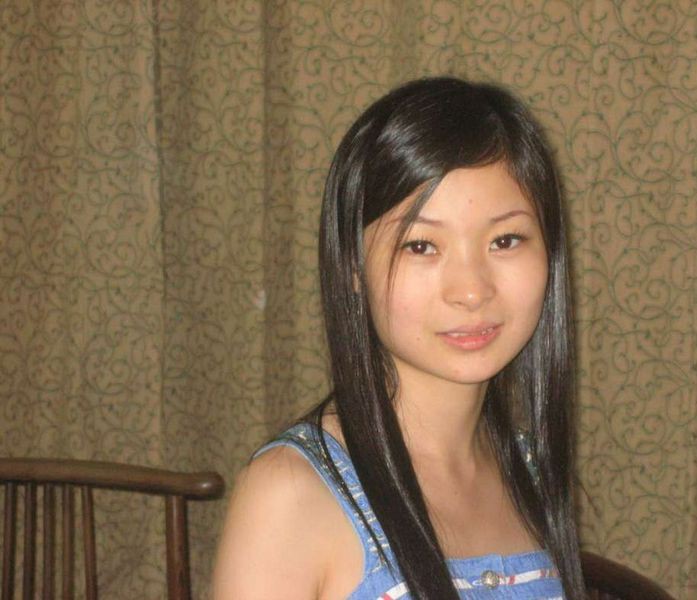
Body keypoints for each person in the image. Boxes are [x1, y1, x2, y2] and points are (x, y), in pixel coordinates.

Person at [213, 77, 585, 599]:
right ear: (352, 267)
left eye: (505, 240)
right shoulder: (290, 494)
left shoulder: (526, 467)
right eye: (421, 246)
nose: (471, 290)